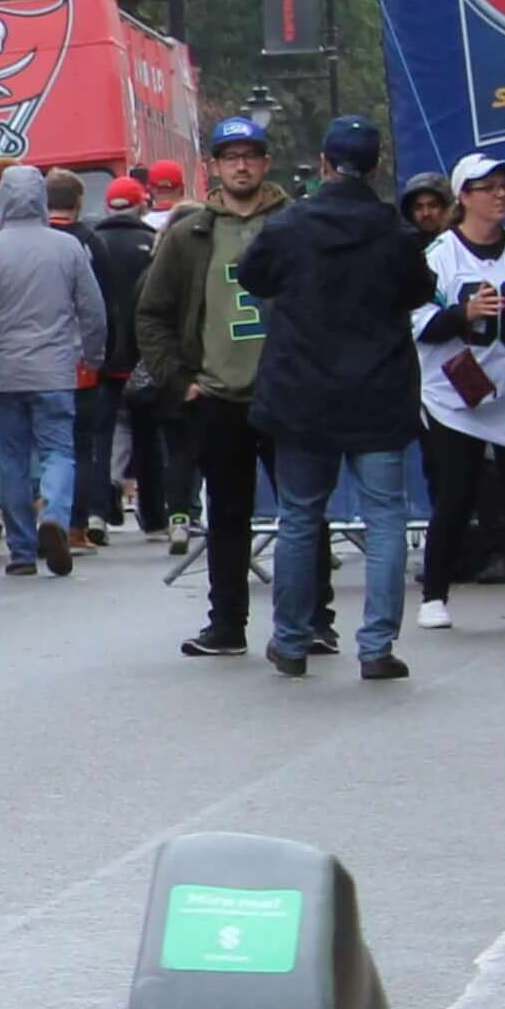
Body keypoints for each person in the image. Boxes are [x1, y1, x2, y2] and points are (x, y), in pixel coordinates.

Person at [237, 115, 435, 680]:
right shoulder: (395, 234)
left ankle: (292, 640)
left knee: (300, 516)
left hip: (303, 392)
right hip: (379, 392)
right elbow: (421, 290)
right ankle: (376, 647)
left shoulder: (290, 225)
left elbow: (254, 277)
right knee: (385, 518)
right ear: (375, 167)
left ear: (323, 164)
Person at [137, 115, 290, 658]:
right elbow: (152, 315)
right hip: (218, 395)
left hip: (286, 394)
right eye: (231, 157)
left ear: (266, 162)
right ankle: (227, 624)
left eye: (251, 155)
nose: (242, 165)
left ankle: (312, 621)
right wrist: (180, 381)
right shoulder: (190, 234)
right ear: (214, 168)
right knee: (228, 516)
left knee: (303, 513)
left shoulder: (293, 223)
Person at [417, 153, 505, 631]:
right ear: (464, 197)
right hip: (456, 394)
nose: (500, 195)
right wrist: (466, 314)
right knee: (456, 494)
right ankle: (434, 594)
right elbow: (417, 322)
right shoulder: (439, 256)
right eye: (487, 187)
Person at [0, 163, 108, 576]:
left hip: (4, 369)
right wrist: (91, 354)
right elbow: (92, 311)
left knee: (11, 457)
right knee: (59, 449)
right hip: (56, 367)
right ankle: (55, 514)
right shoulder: (68, 248)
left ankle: (21, 550)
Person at [88, 178, 170, 547]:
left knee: (99, 437)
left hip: (101, 357)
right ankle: (153, 517)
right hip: (144, 356)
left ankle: (98, 512)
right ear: (141, 205)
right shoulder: (152, 244)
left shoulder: (91, 243)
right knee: (148, 438)